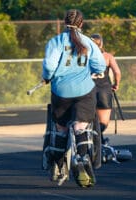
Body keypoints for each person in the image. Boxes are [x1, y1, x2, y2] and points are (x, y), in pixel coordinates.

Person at [42, 9, 106, 187]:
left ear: (64, 22)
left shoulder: (55, 41)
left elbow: (49, 65)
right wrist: (92, 71)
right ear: (81, 24)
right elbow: (100, 65)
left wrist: (48, 76)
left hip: (61, 91)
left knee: (61, 128)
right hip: (84, 91)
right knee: (80, 126)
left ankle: (58, 161)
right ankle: (83, 155)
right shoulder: (88, 42)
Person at [90, 33, 121, 145]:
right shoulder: (107, 57)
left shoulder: (84, 56)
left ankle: (97, 140)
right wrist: (116, 84)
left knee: (88, 120)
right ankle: (96, 138)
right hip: (104, 90)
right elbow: (117, 72)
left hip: (87, 91)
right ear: (101, 43)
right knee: (103, 122)